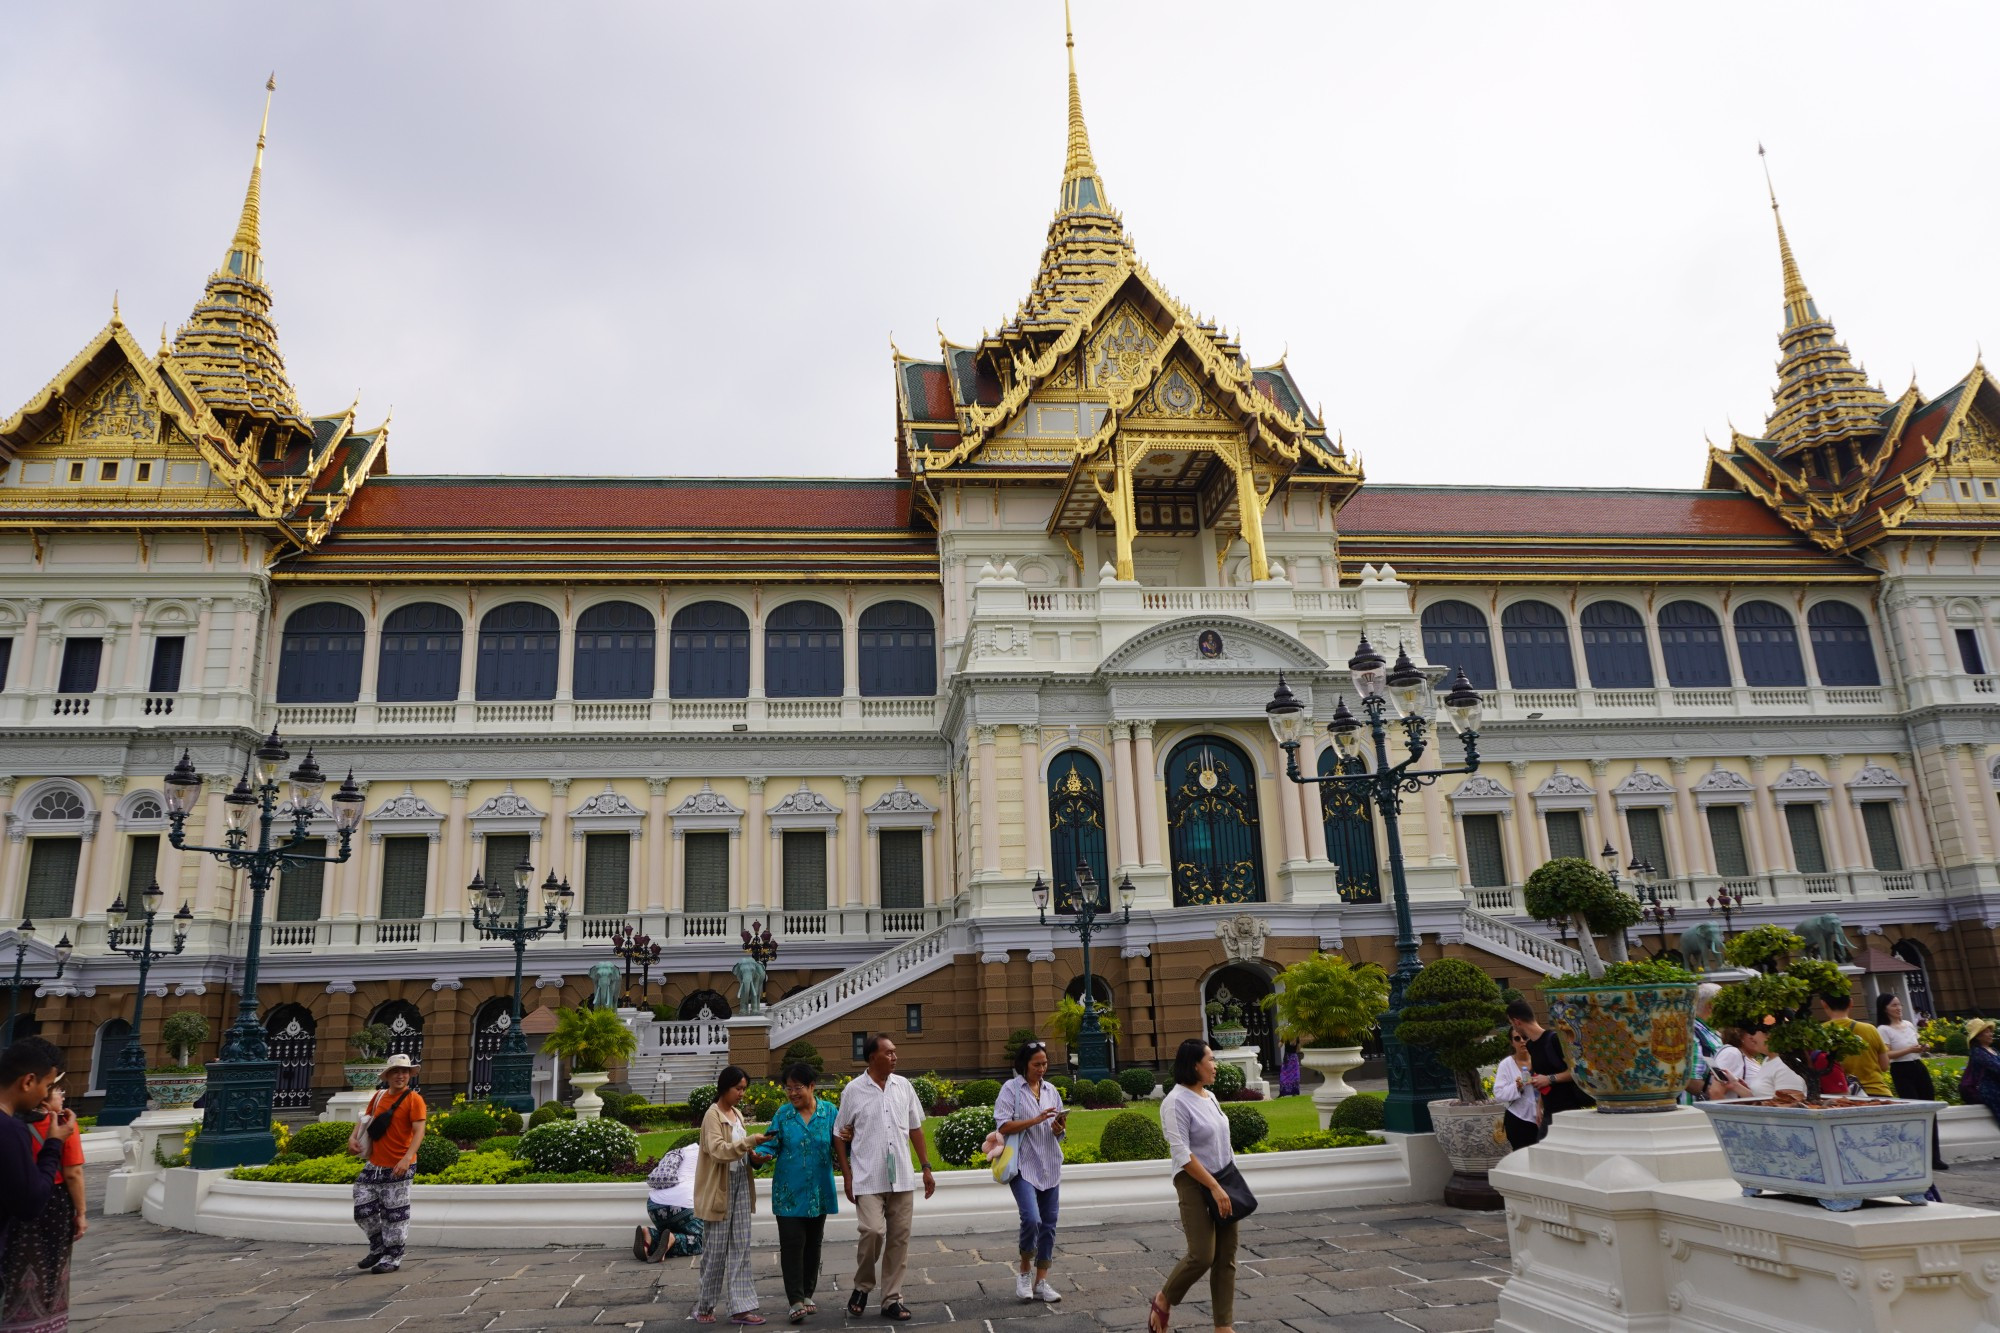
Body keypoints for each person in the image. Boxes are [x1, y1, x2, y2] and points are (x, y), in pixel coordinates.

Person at [832, 1033, 935, 1322]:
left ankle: (892, 1299)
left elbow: (915, 1128)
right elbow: (840, 1133)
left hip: (901, 1175)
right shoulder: (854, 1090)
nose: (894, 1057)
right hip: (868, 1177)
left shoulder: (904, 1086)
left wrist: (926, 1167)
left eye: (894, 1052)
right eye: (888, 1053)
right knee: (873, 1231)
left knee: (899, 1240)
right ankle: (862, 1286)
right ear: (872, 1057)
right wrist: (847, 1175)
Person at [1148, 1039, 1238, 1333]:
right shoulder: (1174, 1102)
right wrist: (1213, 1186)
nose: (1215, 1065)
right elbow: (1182, 1153)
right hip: (1195, 1183)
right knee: (1202, 1255)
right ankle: (1164, 1299)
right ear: (1194, 1064)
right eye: (1210, 1059)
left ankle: (1223, 1326)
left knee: (1226, 1257)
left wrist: (1229, 1182)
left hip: (1224, 1180)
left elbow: (1222, 1142)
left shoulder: (1209, 1097)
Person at [1, 1038, 77, 1333]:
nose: (46, 1095)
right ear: (28, 1081)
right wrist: (54, 1143)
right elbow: (31, 1202)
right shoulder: (9, 1129)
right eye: (47, 1085)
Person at [756, 1062, 840, 1323]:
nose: (792, 1093)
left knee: (813, 1244)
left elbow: (842, 1144)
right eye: (788, 1088)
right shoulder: (783, 1115)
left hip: (819, 1191)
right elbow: (770, 1146)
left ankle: (807, 1294)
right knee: (792, 1244)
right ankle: (794, 1300)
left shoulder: (829, 1113)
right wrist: (758, 1156)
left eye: (798, 1088)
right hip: (788, 1193)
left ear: (812, 1087)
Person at [693, 1065, 770, 1325]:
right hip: (719, 1188)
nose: (741, 1094)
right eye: (738, 1088)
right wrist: (750, 1143)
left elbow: (739, 1152)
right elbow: (718, 1151)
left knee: (741, 1247)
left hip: (740, 1184)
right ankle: (705, 1306)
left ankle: (741, 1308)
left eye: (744, 1089)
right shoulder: (712, 1116)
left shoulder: (736, 1114)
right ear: (724, 1087)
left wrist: (755, 1156)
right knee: (715, 1250)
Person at [995, 1039, 1067, 1303]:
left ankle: (1042, 1281)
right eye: (1037, 1064)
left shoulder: (1051, 1091)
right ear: (1024, 1065)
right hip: (1023, 1165)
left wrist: (1059, 1128)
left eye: (1045, 1064)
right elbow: (1003, 1125)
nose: (1041, 1069)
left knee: (1048, 1225)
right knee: (1032, 1219)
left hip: (1049, 1163)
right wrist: (1035, 1120)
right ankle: (1024, 1272)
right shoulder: (1011, 1089)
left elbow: (1059, 1128)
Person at [350, 1051, 426, 1275]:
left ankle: (392, 1256)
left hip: (399, 1163)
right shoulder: (380, 1096)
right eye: (396, 1072)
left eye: (404, 1072)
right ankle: (378, 1246)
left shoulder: (414, 1100)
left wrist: (407, 1158)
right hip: (375, 1164)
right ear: (388, 1075)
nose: (400, 1076)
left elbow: (419, 1130)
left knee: (396, 1213)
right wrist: (353, 1138)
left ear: (409, 1075)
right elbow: (366, 1119)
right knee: (362, 1208)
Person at [1876, 994, 1947, 1170]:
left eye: (1899, 1005)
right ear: (1885, 1008)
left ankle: (1934, 1156)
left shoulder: (1908, 1024)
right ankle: (1918, 1155)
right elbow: (1887, 1054)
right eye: (1893, 1005)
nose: (1898, 1008)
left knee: (1929, 1109)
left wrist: (1923, 1047)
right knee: (1914, 1110)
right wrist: (1909, 1049)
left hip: (1918, 1066)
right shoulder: (1884, 1029)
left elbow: (1915, 1044)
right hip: (1901, 1070)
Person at [1507, 999, 1592, 1123]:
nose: (1512, 1026)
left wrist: (1549, 1079)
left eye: (1511, 1022)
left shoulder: (1554, 1040)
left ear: (1516, 1021)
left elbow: (1577, 1071)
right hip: (1548, 1112)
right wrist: (1539, 1106)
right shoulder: (1531, 1045)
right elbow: (1542, 1077)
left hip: (1569, 1112)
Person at [635, 1138, 704, 1263]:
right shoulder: (710, 1153)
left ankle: (649, 1235)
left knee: (669, 1232)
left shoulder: (681, 1151)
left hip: (654, 1206)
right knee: (703, 1241)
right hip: (684, 1206)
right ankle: (674, 1239)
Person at [1818, 991, 1892, 1098]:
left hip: (1841, 1097)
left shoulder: (1818, 1033)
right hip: (1878, 1092)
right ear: (1851, 1003)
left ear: (1823, 1004)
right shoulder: (1869, 1029)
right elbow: (1884, 1066)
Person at [1493, 1030, 1542, 1149]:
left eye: (1525, 1037)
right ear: (1512, 1042)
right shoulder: (1506, 1065)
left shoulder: (1540, 1059)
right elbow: (1499, 1094)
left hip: (1544, 1116)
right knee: (1523, 1159)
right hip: (1519, 1118)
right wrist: (1517, 1086)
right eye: (1517, 1038)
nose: (1522, 1041)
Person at [1684, 983, 1725, 1105]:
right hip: (1697, 1113)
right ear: (1711, 1006)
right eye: (1724, 1005)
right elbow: (1690, 1079)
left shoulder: (1706, 1031)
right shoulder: (1693, 1035)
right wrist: (1720, 1096)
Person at [1965, 1019, 2000, 1126]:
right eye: (1987, 1032)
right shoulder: (1978, 1053)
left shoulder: (1993, 1050)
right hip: (1991, 1090)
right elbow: (1996, 1068)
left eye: (1990, 1031)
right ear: (1979, 1036)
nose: (1991, 1034)